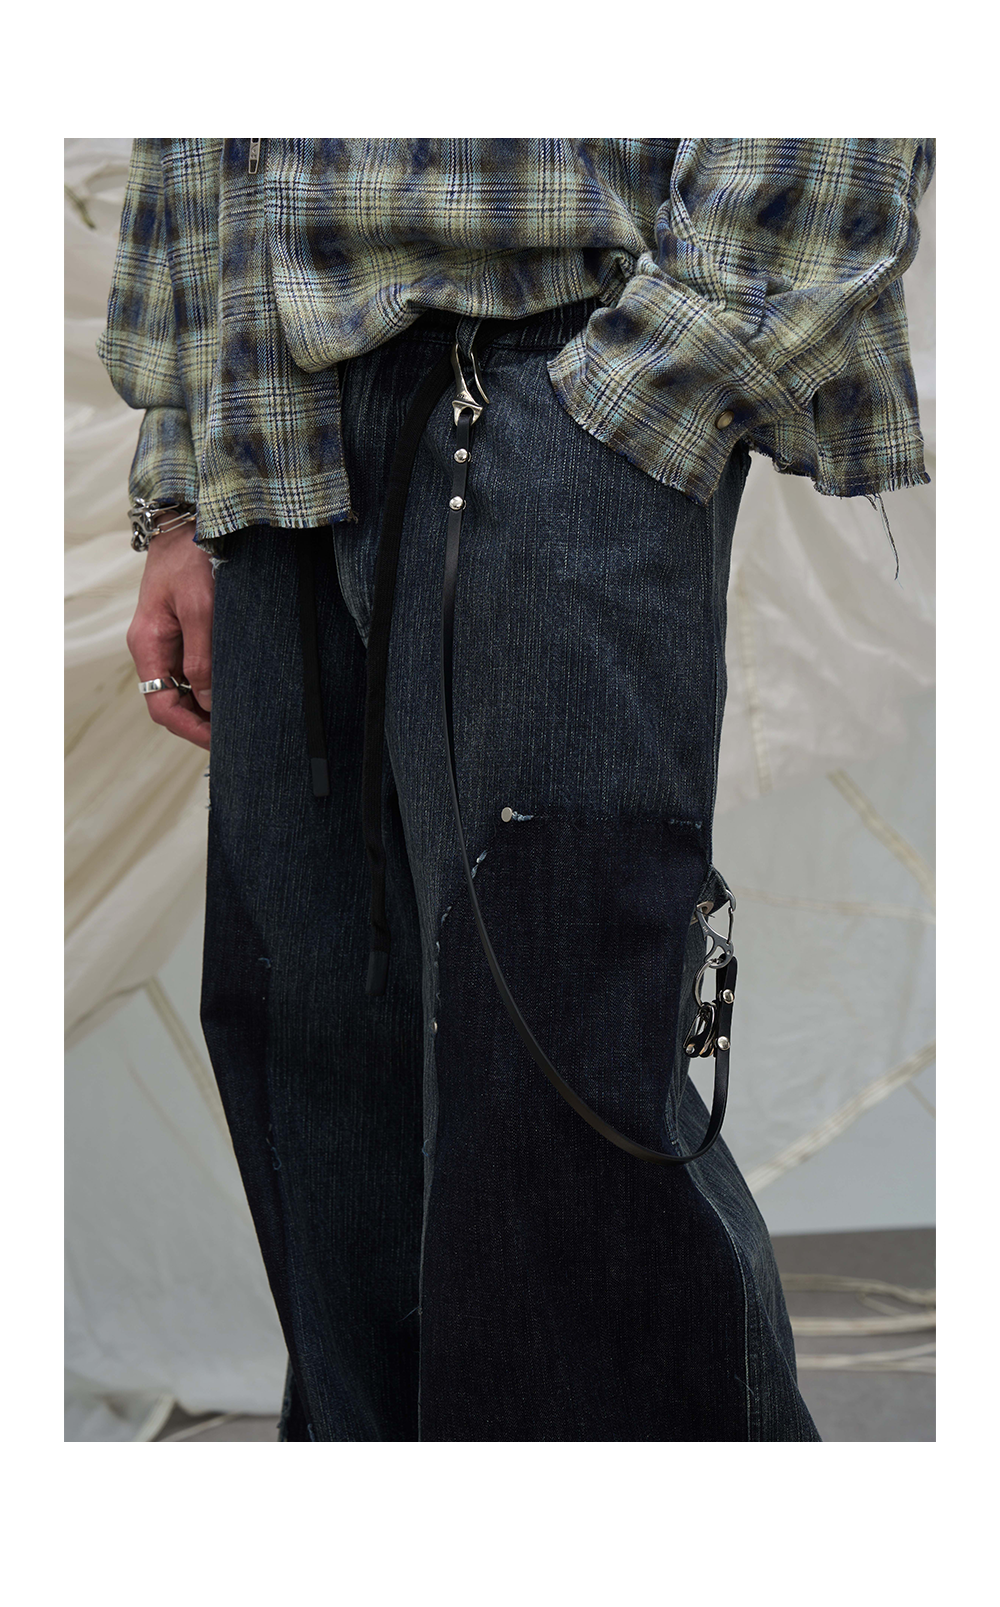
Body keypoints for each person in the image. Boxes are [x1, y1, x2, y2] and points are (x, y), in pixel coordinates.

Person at [100, 137, 934, 1442]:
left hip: (546, 370)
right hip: (263, 431)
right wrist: (177, 491)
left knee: (555, 1059)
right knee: (313, 1063)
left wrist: (675, 366)